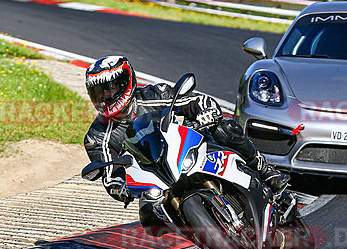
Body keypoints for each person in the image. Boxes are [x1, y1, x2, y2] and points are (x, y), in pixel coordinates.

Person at [83, 56, 290, 207]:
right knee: (149, 218)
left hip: (183, 148)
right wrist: (121, 187)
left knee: (226, 128)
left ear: (125, 83)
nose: (105, 97)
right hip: (153, 177)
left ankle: (266, 171)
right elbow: (111, 176)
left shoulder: (155, 94)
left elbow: (198, 101)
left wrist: (205, 114)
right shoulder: (97, 137)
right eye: (98, 92)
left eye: (110, 89)